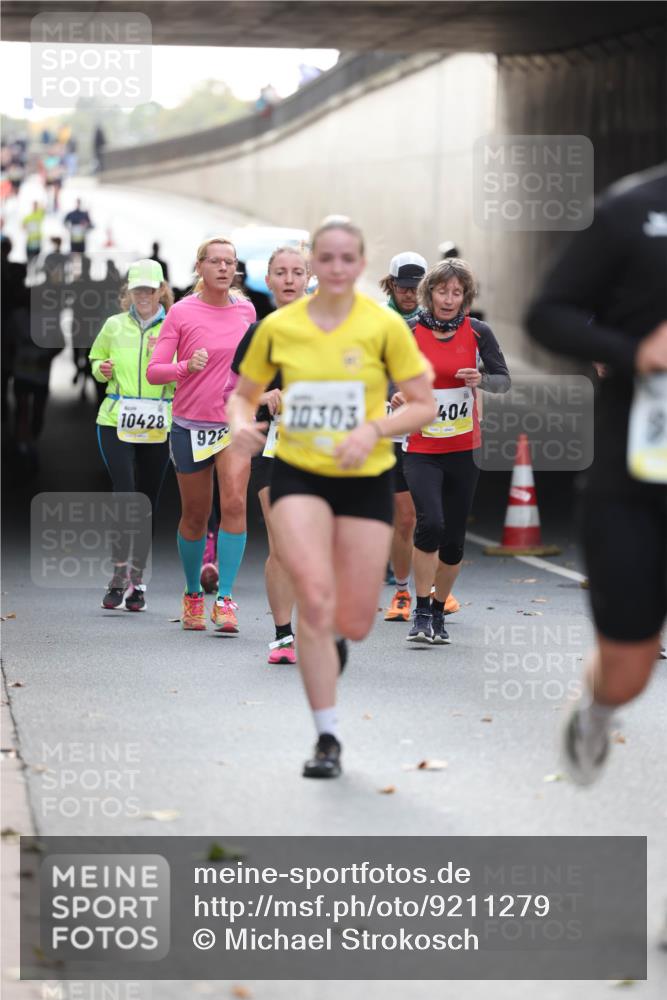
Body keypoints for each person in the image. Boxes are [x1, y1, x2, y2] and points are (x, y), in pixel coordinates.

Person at [228, 216, 437, 779]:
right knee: (314, 599)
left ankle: (339, 634)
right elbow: (241, 395)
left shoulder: (384, 326)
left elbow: (424, 404)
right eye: (327, 259)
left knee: (354, 618)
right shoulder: (279, 326)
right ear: (313, 265)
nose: (337, 268)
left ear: (361, 265)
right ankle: (327, 737)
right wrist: (243, 425)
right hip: (298, 471)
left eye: (349, 259)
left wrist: (372, 430)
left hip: (365, 474)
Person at [525, 163, 667, 785]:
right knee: (629, 668)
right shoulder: (630, 211)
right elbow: (547, 314)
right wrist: (633, 352)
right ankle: (596, 712)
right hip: (635, 479)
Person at [396, 258, 511, 645]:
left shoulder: (479, 332)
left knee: (454, 538)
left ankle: (440, 608)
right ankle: (422, 609)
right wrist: (394, 396)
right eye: (442, 291)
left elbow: (503, 381)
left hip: (464, 448)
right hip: (421, 446)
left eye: (456, 292)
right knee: (431, 522)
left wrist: (483, 379)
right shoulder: (409, 331)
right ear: (429, 294)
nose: (448, 298)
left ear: (465, 297)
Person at [147, 236, 256, 631]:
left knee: (235, 504)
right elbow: (154, 370)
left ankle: (224, 598)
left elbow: (254, 366)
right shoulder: (181, 312)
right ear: (200, 268)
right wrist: (185, 368)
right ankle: (193, 592)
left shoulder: (247, 312)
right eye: (216, 261)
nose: (225, 268)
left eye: (230, 262)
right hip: (190, 425)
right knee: (194, 515)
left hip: (232, 424)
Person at [227, 245, 310, 664]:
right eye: (282, 272)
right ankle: (282, 635)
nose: (290, 279)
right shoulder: (259, 332)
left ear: (309, 278)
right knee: (282, 543)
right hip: (274, 448)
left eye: (298, 271)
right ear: (270, 280)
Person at [379, 252, 463, 624]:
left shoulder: (438, 323)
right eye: (403, 287)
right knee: (406, 517)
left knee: (437, 517)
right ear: (391, 285)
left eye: (416, 287)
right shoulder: (379, 323)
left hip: (437, 433)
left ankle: (431, 589)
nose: (410, 294)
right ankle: (401, 591)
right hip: (395, 431)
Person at [89, 259, 175, 611]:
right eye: (137, 289)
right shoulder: (113, 326)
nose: (144, 295)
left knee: (147, 504)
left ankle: (138, 581)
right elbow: (95, 362)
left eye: (150, 289)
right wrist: (101, 368)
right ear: (129, 292)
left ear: (161, 291)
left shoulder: (174, 326)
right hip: (115, 420)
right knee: (125, 497)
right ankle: (118, 573)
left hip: (157, 423)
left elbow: (183, 370)